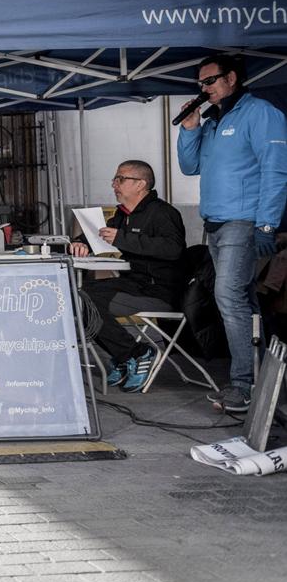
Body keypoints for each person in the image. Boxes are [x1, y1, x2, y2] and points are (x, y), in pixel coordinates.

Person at [178, 54, 287, 414]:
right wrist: (189, 128)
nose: (204, 88)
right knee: (243, 299)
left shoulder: (260, 114)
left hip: (244, 221)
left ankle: (243, 384)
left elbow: (276, 171)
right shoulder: (211, 122)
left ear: (232, 78)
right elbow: (189, 166)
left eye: (210, 81)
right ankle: (265, 377)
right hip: (215, 225)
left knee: (228, 295)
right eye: (201, 84)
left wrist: (267, 223)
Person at [68, 160, 186, 391]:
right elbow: (97, 236)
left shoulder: (163, 213)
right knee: (74, 296)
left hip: (159, 290)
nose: (115, 184)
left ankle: (137, 353)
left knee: (86, 301)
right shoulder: (123, 215)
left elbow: (173, 249)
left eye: (121, 179)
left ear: (141, 184)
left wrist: (122, 239)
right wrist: (79, 243)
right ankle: (125, 356)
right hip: (133, 283)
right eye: (115, 179)